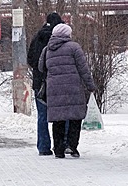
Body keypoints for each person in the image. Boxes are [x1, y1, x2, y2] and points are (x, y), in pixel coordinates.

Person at [39, 23, 96, 158]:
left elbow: (41, 68)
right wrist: (90, 85)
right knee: (75, 118)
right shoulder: (74, 47)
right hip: (73, 88)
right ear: (67, 34)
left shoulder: (47, 49)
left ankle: (58, 150)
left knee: (58, 120)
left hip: (54, 89)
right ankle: (72, 146)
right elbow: (83, 69)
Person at [27, 12, 64, 156]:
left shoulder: (38, 37)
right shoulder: (61, 39)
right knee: (61, 114)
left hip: (40, 83)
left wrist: (39, 71)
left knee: (42, 116)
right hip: (58, 82)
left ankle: (43, 147)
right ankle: (62, 145)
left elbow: (30, 59)